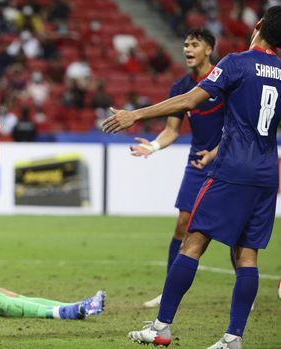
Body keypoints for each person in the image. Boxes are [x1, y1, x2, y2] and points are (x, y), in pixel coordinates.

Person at [102, 6, 281, 349]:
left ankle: (161, 328)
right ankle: (233, 338)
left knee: (193, 242)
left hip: (232, 171)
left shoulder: (236, 62)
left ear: (258, 26)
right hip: (266, 172)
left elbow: (189, 99)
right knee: (247, 256)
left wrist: (135, 115)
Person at [129, 28, 225, 308]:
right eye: (184, 44)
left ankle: (244, 287)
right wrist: (154, 147)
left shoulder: (227, 80)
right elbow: (172, 130)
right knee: (182, 224)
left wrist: (218, 151)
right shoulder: (181, 88)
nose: (187, 49)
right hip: (197, 163)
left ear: (209, 49)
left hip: (227, 161)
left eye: (194, 44)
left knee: (237, 231)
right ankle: (168, 291)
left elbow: (237, 124)